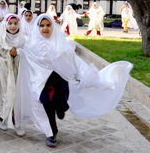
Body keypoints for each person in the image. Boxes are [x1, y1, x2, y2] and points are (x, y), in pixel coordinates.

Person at [15, 14, 132, 148]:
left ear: (53, 26)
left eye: (48, 25)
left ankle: (61, 108)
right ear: (37, 28)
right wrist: (17, 51)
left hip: (60, 80)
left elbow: (73, 61)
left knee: (60, 103)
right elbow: (24, 52)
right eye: (41, 26)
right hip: (41, 82)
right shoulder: (32, 44)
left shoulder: (60, 44)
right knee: (44, 101)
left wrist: (78, 74)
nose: (45, 28)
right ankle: (51, 133)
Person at [0, 14, 26, 136]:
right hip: (1, 71)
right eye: (10, 23)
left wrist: (17, 52)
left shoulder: (22, 38)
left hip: (17, 73)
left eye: (15, 23)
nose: (13, 26)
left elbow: (27, 51)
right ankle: (2, 119)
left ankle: (17, 122)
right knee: (3, 94)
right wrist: (6, 50)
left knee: (16, 96)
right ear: (5, 24)